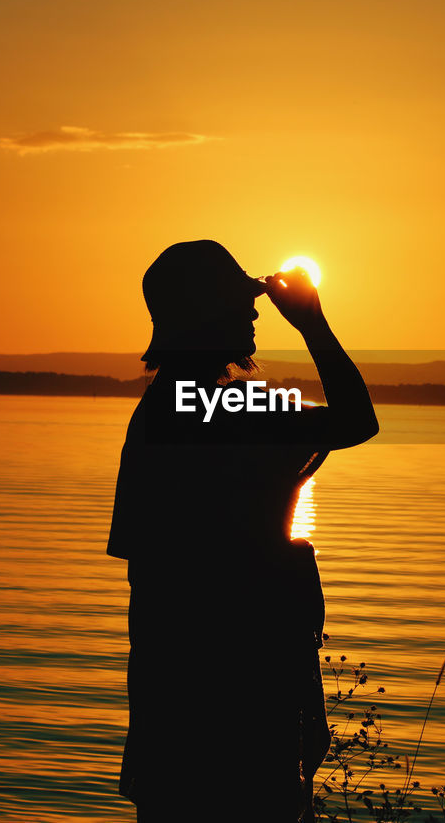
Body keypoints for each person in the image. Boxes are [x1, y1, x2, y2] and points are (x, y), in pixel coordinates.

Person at [107, 240, 378, 822]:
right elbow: (358, 420)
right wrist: (313, 325)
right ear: (206, 314)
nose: (255, 313)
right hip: (235, 716)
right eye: (241, 302)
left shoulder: (166, 408)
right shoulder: (218, 407)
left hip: (176, 715)